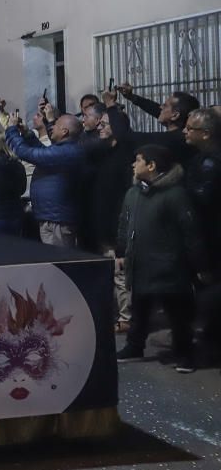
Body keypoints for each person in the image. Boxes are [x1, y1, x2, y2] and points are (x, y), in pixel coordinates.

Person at [116, 145, 203, 373]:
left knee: (177, 314)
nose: (134, 165)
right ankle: (135, 345)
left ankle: (184, 353)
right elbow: (125, 223)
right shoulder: (133, 193)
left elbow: (190, 231)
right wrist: (121, 250)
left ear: (151, 166)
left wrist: (197, 262)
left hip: (169, 265)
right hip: (141, 262)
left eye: (138, 160)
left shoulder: (175, 195)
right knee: (140, 309)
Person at [5, 108, 86, 247]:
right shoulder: (64, 149)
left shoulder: (66, 152)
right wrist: (26, 134)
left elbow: (25, 152)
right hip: (53, 217)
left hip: (57, 220)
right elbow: (43, 152)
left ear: (65, 131)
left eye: (56, 125)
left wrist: (11, 129)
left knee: (61, 263)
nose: (51, 127)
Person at [84, 112, 135, 330]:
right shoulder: (104, 153)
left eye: (104, 124)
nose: (99, 127)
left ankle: (126, 318)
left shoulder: (125, 157)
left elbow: (124, 196)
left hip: (117, 224)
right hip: (102, 223)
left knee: (120, 273)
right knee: (111, 271)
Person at [182, 108, 221, 359]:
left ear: (205, 134)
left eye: (190, 128)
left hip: (212, 241)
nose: (185, 131)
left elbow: (202, 200)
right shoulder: (198, 159)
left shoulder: (212, 163)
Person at [104, 84, 199, 165]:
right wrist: (132, 97)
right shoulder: (183, 133)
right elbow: (156, 109)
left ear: (175, 115)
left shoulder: (173, 139)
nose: (160, 107)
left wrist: (110, 105)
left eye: (164, 105)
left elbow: (125, 137)